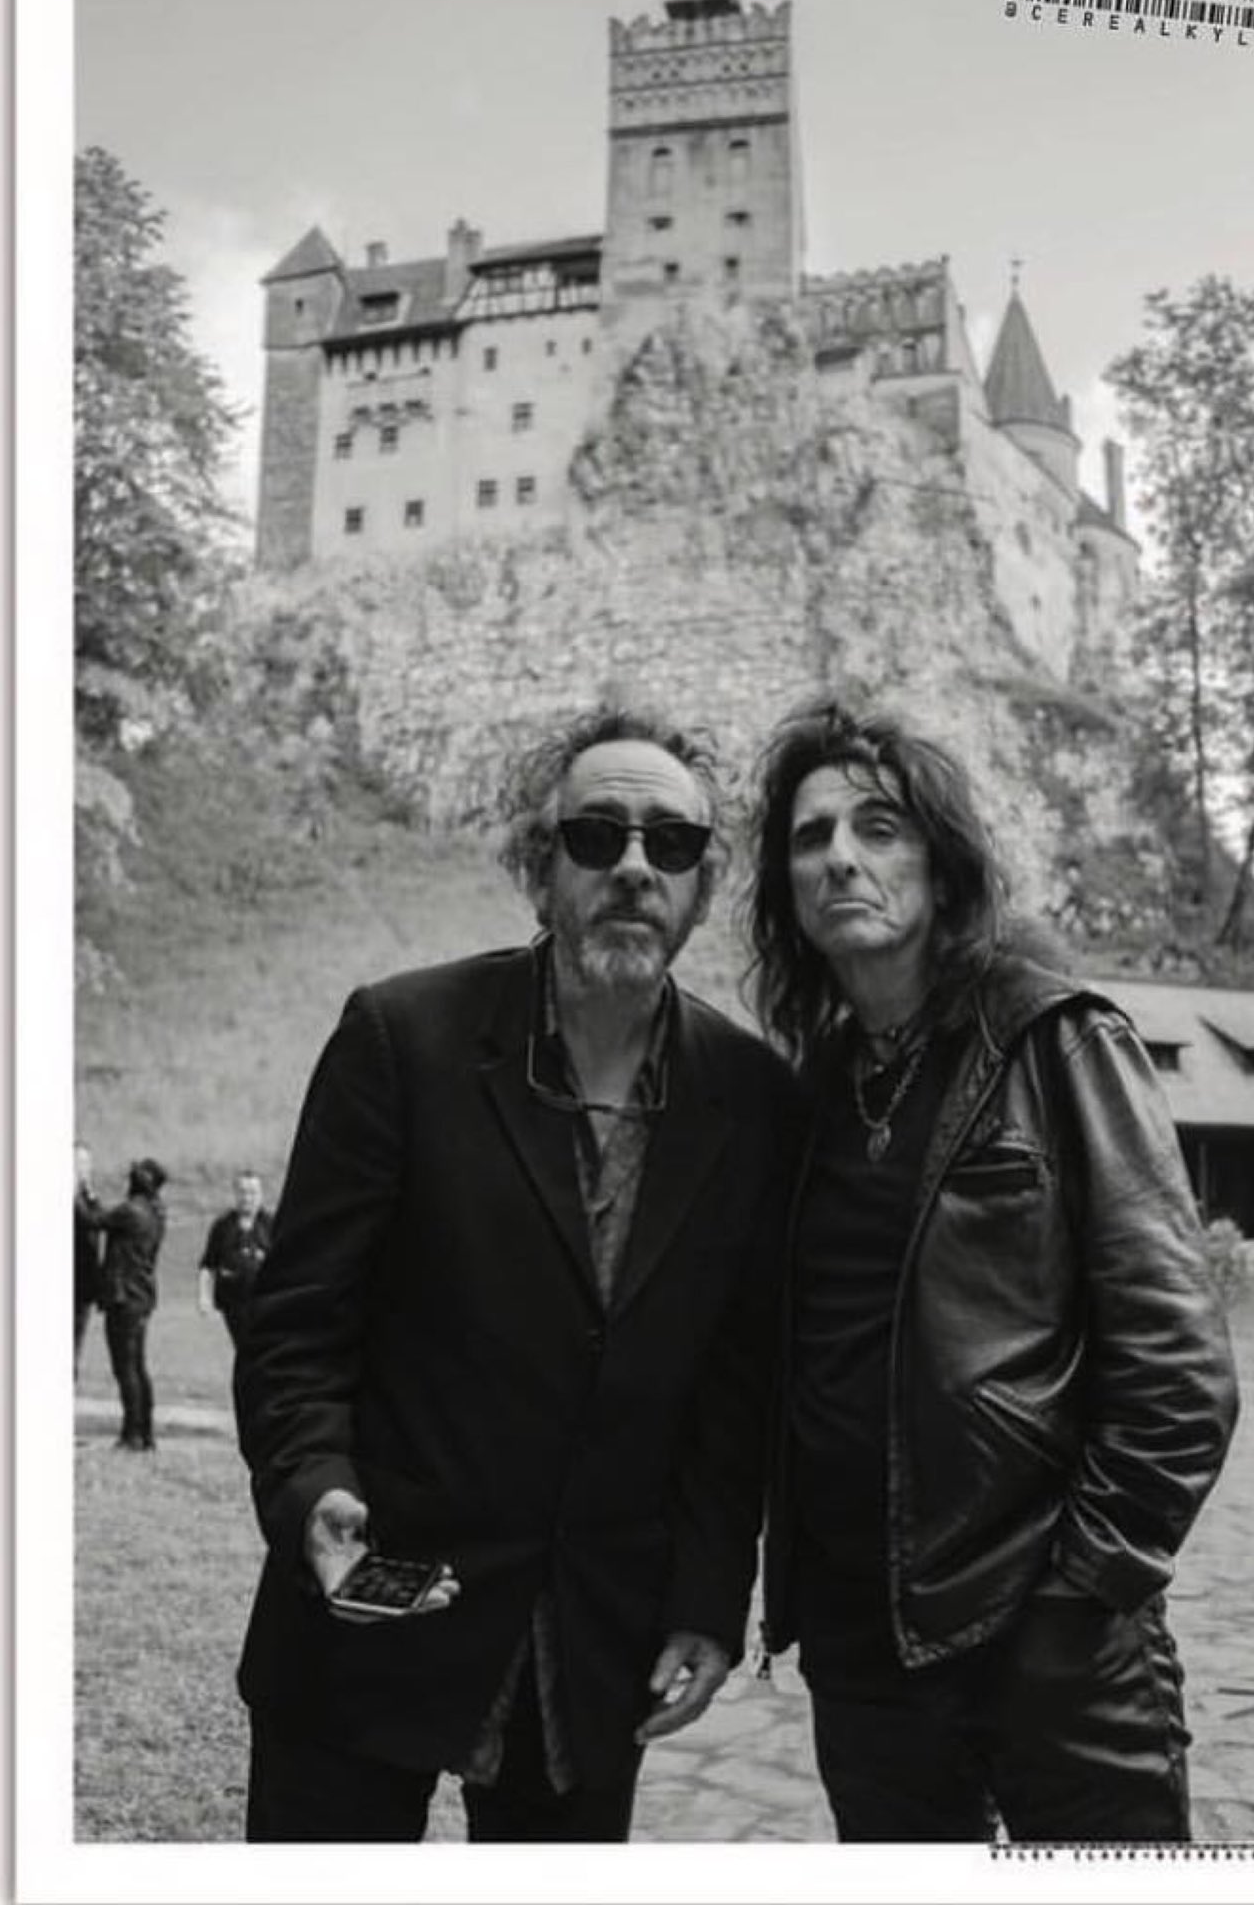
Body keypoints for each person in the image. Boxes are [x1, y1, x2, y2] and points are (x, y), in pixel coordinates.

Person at [233, 705, 799, 1843]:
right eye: (595, 836)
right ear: (539, 870)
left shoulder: (751, 1097)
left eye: (671, 846)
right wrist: (310, 1486)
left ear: (701, 885)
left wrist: (703, 1595)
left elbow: (731, 1390)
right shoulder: (402, 1037)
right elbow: (297, 1319)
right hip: (372, 1606)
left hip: (589, 1645)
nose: (634, 868)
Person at [744, 698, 1240, 1843]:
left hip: (1046, 1632)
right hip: (862, 1648)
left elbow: (1177, 1367)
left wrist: (1080, 1589)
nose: (840, 858)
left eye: (879, 827)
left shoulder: (1053, 1038)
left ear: (942, 863)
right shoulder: (811, 1094)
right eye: (810, 836)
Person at [94, 1157, 168, 1451]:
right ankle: (144, 1432)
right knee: (137, 1366)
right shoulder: (155, 1212)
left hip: (124, 1296)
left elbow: (93, 1218)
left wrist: (82, 1192)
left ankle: (132, 1434)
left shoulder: (132, 1211)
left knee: (125, 1367)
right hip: (141, 1297)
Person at [198, 1169, 274, 1351]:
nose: (247, 1198)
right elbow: (208, 1265)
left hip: (265, 1301)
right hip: (233, 1303)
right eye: (242, 1192)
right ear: (235, 1194)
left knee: (263, 1347)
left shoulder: (271, 1224)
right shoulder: (223, 1226)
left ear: (261, 1194)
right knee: (244, 1348)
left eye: (252, 1192)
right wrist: (204, 1297)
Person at [73, 1141, 103, 1375]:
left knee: (77, 1335)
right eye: (78, 1162)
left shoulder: (89, 1197)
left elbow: (99, 1220)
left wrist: (90, 1194)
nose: (83, 1168)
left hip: (85, 1279)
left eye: (86, 1163)